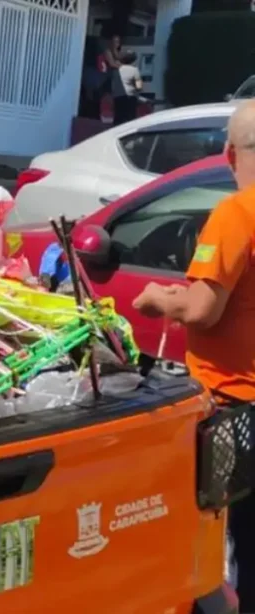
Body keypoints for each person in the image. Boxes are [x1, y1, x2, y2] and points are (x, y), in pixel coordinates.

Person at [132, 100, 255, 610]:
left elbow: (203, 308)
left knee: (219, 543)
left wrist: (160, 298)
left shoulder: (236, 213)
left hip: (235, 412)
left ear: (229, 154)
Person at [111, 50, 143, 125]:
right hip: (131, 97)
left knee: (118, 119)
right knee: (130, 120)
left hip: (118, 96)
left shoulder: (116, 70)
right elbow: (139, 86)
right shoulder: (135, 70)